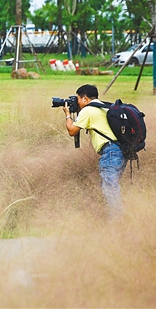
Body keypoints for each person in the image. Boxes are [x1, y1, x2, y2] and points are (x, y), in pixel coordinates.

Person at [62, 84, 127, 219]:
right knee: (109, 186)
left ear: (85, 98)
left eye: (78, 99)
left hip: (110, 152)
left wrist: (68, 115)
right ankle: (108, 218)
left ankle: (117, 222)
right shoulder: (104, 107)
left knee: (110, 188)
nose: (78, 103)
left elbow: (72, 131)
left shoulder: (88, 110)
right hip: (120, 152)